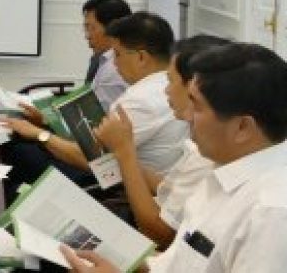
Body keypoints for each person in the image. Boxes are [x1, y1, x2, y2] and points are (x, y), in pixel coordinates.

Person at [63, 43, 287, 273]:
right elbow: (178, 263)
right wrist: (115, 259)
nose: (187, 116)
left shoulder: (271, 212)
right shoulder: (220, 175)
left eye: (197, 107)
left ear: (242, 127)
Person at [2, 12, 187, 179]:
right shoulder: (169, 86)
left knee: (15, 153)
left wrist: (39, 134)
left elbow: (98, 163)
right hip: (131, 177)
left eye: (117, 54)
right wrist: (47, 125)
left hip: (109, 186)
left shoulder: (140, 100)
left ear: (141, 57)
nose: (114, 63)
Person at [94, 35, 228, 247]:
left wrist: (124, 151)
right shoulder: (202, 144)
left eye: (170, 81)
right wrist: (123, 151)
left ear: (193, 88)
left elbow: (161, 234)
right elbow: (169, 189)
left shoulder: (209, 155)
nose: (166, 90)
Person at [81, 0, 132, 110]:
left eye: (91, 28)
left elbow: (94, 117)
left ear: (112, 28)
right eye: (85, 28)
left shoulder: (113, 69)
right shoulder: (101, 60)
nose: (87, 36)